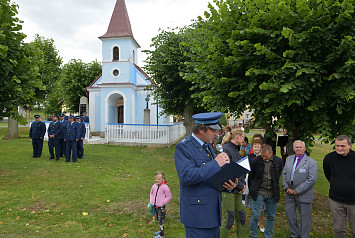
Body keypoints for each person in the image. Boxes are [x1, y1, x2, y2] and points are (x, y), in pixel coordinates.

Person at [174, 112, 238, 238]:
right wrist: (215, 163)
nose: (217, 134)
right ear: (202, 129)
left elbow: (210, 177)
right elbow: (187, 176)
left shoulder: (207, 146)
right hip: (197, 216)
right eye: (213, 130)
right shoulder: (184, 147)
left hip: (212, 214)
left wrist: (227, 185)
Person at [283, 140, 317, 238]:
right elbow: (284, 174)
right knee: (290, 215)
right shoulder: (289, 159)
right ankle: (295, 235)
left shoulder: (311, 162)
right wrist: (287, 187)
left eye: (300, 147)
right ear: (293, 149)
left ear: (304, 148)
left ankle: (304, 236)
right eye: (296, 147)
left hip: (304, 193)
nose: (298, 149)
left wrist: (297, 190)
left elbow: (311, 180)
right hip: (289, 192)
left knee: (305, 218)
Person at [323, 135, 355, 238]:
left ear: (350, 145)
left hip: (354, 202)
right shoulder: (329, 158)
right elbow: (328, 175)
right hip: (336, 201)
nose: (339, 148)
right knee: (339, 229)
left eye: (343, 146)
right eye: (337, 146)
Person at [248, 144, 283, 238]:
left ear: (271, 153)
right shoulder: (255, 161)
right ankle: (252, 236)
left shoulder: (278, 161)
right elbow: (251, 177)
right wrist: (252, 190)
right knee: (255, 216)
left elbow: (278, 175)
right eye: (262, 156)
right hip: (259, 192)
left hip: (272, 193)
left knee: (271, 216)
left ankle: (268, 236)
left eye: (266, 156)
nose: (264, 158)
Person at [220, 129, 247, 238]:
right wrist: (240, 185)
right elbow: (227, 171)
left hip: (237, 190)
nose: (244, 139)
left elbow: (239, 169)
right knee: (229, 220)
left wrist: (242, 184)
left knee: (241, 217)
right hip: (228, 190)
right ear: (237, 137)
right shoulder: (226, 149)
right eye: (243, 137)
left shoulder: (236, 149)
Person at [245, 138, 265, 233]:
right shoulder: (249, 157)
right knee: (251, 205)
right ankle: (254, 221)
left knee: (261, 206)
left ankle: (260, 222)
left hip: (261, 185)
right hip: (251, 183)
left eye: (258, 146)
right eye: (255, 146)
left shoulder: (264, 157)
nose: (256, 148)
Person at [150, 171, 172, 238]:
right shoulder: (154, 186)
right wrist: (151, 201)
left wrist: (163, 203)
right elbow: (151, 193)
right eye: (156, 179)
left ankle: (161, 235)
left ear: (163, 179)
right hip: (155, 206)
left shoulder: (165, 187)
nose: (157, 180)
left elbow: (169, 196)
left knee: (161, 221)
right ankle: (160, 231)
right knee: (158, 219)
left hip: (161, 208)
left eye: (159, 179)